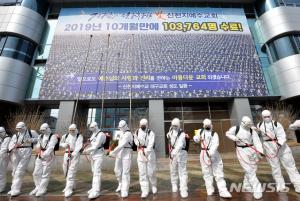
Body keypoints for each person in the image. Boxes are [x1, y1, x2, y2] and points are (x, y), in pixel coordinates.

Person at [257, 110, 300, 193]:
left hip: (282, 149)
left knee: (291, 167)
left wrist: (279, 144)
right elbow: (258, 137)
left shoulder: (277, 124)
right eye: (265, 117)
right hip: (269, 149)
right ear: (262, 117)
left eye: (268, 116)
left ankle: (298, 185)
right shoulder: (259, 125)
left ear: (271, 116)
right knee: (275, 168)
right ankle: (280, 185)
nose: (267, 118)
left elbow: (282, 135)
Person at [226, 116, 264, 199]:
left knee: (253, 169)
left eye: (249, 125)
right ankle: (257, 190)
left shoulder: (251, 130)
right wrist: (235, 138)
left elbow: (257, 141)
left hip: (252, 150)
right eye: (247, 125)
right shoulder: (235, 128)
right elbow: (228, 133)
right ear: (242, 123)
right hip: (241, 150)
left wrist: (260, 151)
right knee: (249, 169)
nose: (248, 126)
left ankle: (246, 185)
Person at [193, 119, 231, 198]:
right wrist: (196, 138)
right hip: (203, 154)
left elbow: (215, 144)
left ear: (211, 125)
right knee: (206, 172)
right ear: (203, 125)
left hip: (214, 155)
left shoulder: (214, 134)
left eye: (208, 125)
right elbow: (196, 139)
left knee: (218, 172)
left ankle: (223, 190)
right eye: (206, 125)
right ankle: (209, 189)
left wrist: (211, 152)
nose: (207, 127)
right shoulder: (200, 131)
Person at [8, 122, 38, 196]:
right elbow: (11, 143)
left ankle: (16, 189)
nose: (19, 130)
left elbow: (39, 139)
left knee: (19, 171)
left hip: (27, 150)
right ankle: (13, 188)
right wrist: (12, 148)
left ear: (24, 127)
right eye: (17, 129)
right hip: (16, 152)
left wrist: (30, 140)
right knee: (15, 171)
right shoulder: (16, 135)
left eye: (20, 128)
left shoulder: (32, 132)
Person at [30, 123, 58, 196]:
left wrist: (44, 154)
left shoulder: (53, 136)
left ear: (48, 128)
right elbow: (38, 145)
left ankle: (43, 189)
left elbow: (51, 147)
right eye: (41, 130)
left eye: (44, 130)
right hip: (40, 155)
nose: (43, 131)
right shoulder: (40, 136)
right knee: (35, 173)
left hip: (49, 156)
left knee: (45, 173)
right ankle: (38, 186)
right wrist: (38, 151)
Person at [133, 119, 157, 198]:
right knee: (142, 173)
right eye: (141, 125)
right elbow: (135, 139)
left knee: (151, 171)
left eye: (144, 125)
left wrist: (147, 151)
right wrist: (138, 144)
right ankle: (145, 190)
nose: (142, 126)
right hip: (140, 154)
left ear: (146, 125)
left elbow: (151, 143)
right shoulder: (136, 132)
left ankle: (153, 185)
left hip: (150, 154)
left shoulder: (151, 133)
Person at [109, 120, 133, 198]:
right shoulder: (121, 132)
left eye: (121, 127)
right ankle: (120, 183)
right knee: (117, 170)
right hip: (119, 153)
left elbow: (122, 145)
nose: (120, 128)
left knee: (125, 172)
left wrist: (113, 152)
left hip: (126, 152)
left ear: (125, 126)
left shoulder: (128, 133)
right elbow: (117, 142)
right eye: (119, 127)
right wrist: (112, 148)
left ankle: (125, 189)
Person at [83, 122, 106, 199]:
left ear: (96, 126)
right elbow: (91, 143)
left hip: (99, 155)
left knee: (97, 172)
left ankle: (96, 191)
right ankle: (94, 187)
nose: (91, 129)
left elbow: (96, 146)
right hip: (93, 155)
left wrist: (86, 150)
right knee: (94, 172)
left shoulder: (101, 134)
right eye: (90, 128)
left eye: (92, 127)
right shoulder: (93, 134)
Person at [166, 118, 188, 198]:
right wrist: (168, 134)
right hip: (173, 153)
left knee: (182, 172)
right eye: (173, 125)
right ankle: (174, 184)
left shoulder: (182, 133)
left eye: (175, 126)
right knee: (173, 170)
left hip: (181, 153)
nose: (174, 127)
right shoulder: (171, 132)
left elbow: (180, 144)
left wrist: (173, 152)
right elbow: (168, 136)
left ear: (179, 125)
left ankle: (183, 189)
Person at [60, 124, 83, 197]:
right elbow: (61, 143)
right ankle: (70, 185)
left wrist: (73, 154)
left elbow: (79, 146)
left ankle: (69, 189)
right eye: (70, 130)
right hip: (66, 154)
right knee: (65, 170)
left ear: (76, 129)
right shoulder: (65, 136)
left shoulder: (79, 136)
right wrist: (64, 145)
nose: (72, 131)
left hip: (74, 155)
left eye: (73, 130)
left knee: (71, 171)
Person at [0, 127, 11, 193]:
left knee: (2, 172)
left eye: (1, 133)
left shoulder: (7, 138)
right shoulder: (1, 138)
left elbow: (3, 149)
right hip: (1, 156)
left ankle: (2, 187)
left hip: (4, 157)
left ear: (4, 132)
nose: (0, 134)